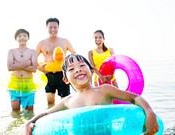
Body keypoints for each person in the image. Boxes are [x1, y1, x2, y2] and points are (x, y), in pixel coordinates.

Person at [25, 54, 159, 135]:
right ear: (66, 79)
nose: (77, 70)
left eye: (82, 66)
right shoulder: (68, 101)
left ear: (91, 70)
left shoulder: (104, 90)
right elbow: (47, 113)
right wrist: (30, 122)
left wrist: (149, 112)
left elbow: (135, 97)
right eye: (71, 69)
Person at [36, 17, 76, 108]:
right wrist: (40, 68)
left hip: (63, 74)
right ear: (47, 28)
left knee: (66, 101)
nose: (53, 29)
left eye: (55, 27)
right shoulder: (41, 43)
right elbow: (33, 59)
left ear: (58, 28)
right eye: (50, 27)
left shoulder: (65, 41)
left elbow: (74, 54)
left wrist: (70, 66)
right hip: (48, 75)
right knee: (50, 103)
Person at [7, 29, 38, 118]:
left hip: (28, 84)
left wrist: (16, 65)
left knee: (29, 111)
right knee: (15, 111)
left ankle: (28, 128)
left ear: (28, 38)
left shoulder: (32, 52)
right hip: (14, 83)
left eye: (24, 35)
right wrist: (28, 63)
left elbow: (34, 68)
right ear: (16, 38)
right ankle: (17, 128)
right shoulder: (11, 51)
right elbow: (10, 67)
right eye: (19, 36)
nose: (22, 38)